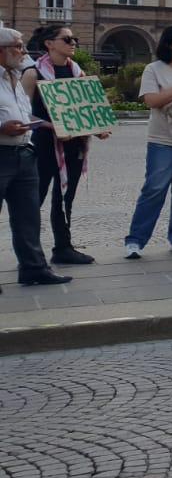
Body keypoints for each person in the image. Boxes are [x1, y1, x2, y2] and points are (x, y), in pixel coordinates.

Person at [0, 28, 71, 289]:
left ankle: (34, 268)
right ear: (2, 50)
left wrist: (51, 126)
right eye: (18, 47)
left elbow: (24, 114)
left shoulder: (15, 78)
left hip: (24, 154)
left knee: (28, 217)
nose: (23, 51)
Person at [30, 24, 105, 266]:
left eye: (74, 39)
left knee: (65, 198)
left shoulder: (78, 73)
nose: (73, 43)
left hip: (74, 145)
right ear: (49, 43)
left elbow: (89, 109)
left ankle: (63, 247)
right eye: (67, 39)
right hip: (43, 146)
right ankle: (29, 253)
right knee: (34, 199)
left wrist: (98, 125)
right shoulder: (33, 73)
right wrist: (51, 127)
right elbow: (22, 114)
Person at [125, 23, 172, 259]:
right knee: (155, 188)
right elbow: (151, 101)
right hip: (162, 140)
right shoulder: (154, 69)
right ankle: (135, 240)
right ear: (169, 44)